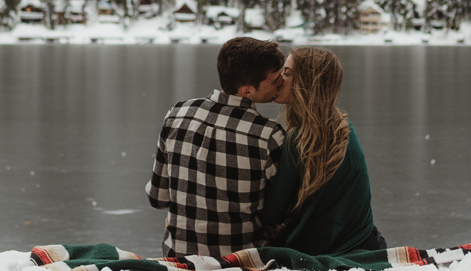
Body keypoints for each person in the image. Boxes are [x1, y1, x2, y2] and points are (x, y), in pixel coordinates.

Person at [146, 36, 286, 257]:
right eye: (275, 79)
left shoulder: (177, 113)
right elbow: (279, 213)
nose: (281, 83)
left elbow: (158, 198)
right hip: (239, 263)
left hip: (179, 261)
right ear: (247, 91)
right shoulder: (268, 135)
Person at [262, 47, 386, 254]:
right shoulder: (344, 128)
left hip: (328, 249)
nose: (279, 79)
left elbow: (271, 215)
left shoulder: (299, 139)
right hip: (368, 242)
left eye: (287, 73)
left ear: (307, 83)